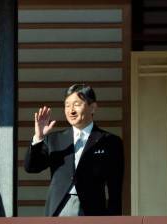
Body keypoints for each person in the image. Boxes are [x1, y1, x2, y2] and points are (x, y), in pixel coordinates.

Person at [24, 84, 124, 216]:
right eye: (67, 105)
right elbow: (32, 167)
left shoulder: (110, 141)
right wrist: (39, 137)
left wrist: (113, 221)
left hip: (92, 210)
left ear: (92, 107)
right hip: (58, 208)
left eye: (77, 104)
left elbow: (115, 187)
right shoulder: (55, 139)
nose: (71, 110)